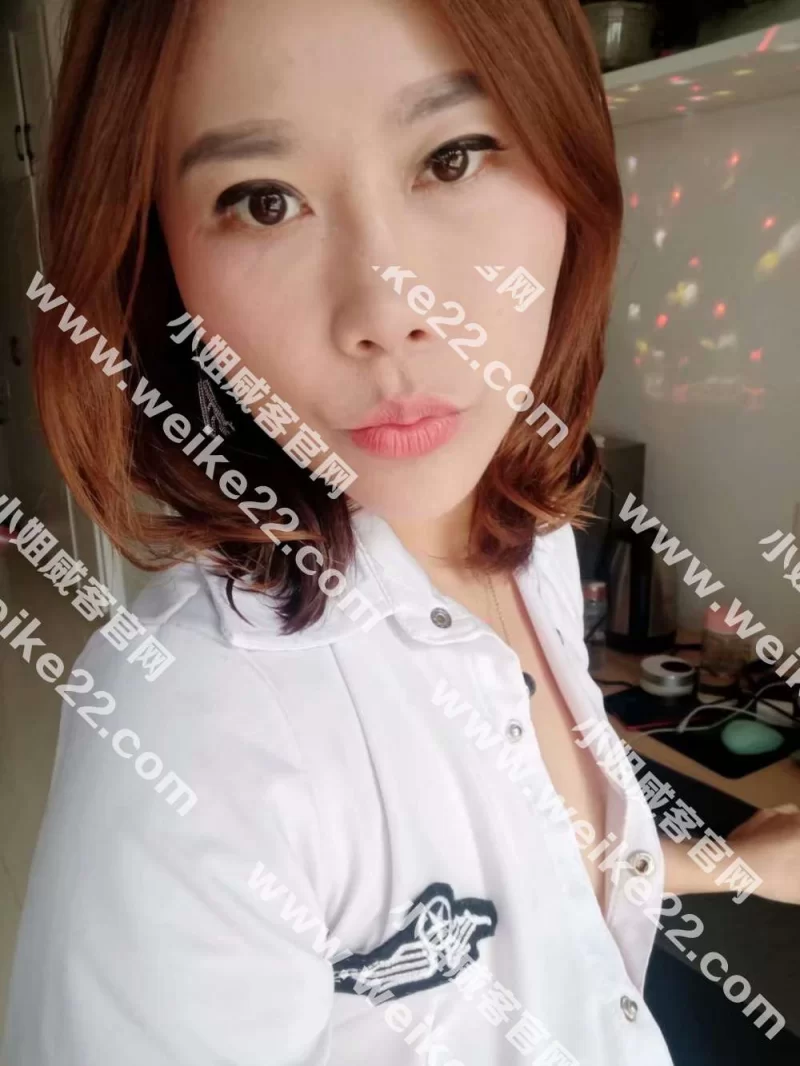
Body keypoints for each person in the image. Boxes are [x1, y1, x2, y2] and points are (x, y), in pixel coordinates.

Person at [3, 0, 799, 1063]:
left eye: (452, 157)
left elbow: (525, 869)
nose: (386, 310)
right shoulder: (192, 723)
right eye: (263, 200)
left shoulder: (530, 539)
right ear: (161, 265)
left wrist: (728, 864)